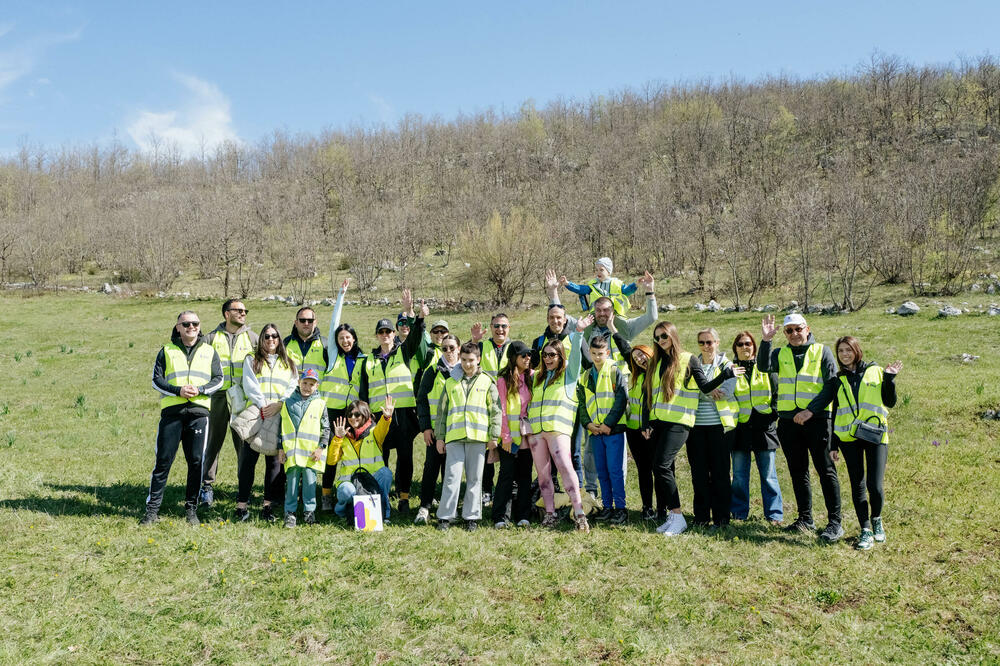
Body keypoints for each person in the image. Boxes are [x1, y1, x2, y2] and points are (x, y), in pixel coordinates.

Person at [794, 337, 901, 550]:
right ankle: (865, 529)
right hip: (849, 438)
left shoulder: (876, 371)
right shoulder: (837, 380)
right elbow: (833, 409)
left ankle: (877, 519)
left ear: (857, 350)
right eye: (841, 350)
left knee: (875, 486)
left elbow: (890, 402)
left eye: (848, 350)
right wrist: (833, 445)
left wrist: (889, 379)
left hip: (875, 435)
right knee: (857, 485)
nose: (844, 354)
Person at [641, 321, 742, 536]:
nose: (660, 341)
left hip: (686, 422)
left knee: (666, 466)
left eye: (664, 336)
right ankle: (692, 517)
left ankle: (693, 517)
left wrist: (727, 374)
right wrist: (646, 422)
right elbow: (648, 394)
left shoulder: (688, 359)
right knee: (689, 474)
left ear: (673, 336)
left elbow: (705, 386)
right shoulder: (657, 363)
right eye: (657, 338)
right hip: (665, 422)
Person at [757, 313, 843, 542]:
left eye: (798, 329)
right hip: (788, 422)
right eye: (789, 331)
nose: (794, 334)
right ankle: (805, 519)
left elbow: (831, 386)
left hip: (817, 420)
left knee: (825, 470)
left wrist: (810, 411)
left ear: (807, 328)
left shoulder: (822, 351)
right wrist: (766, 341)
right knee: (798, 471)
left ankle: (835, 523)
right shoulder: (780, 353)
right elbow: (763, 367)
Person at [141, 311, 223, 526]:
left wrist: (201, 389)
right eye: (186, 323)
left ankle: (191, 509)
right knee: (163, 462)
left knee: (196, 463)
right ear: (177, 327)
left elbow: (219, 380)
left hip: (198, 414)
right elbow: (156, 380)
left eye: (195, 323)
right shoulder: (166, 350)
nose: (191, 327)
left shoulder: (209, 351)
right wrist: (178, 391)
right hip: (172, 414)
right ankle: (152, 511)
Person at [358, 289, 430, 516]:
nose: (386, 334)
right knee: (381, 457)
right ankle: (381, 494)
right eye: (381, 332)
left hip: (403, 415)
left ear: (393, 334)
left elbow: (417, 337)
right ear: (377, 335)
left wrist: (415, 316)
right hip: (378, 416)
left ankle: (404, 497)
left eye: (388, 331)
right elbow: (363, 391)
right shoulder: (368, 360)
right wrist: (365, 418)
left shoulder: (404, 352)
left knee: (405, 456)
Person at [528, 314, 592, 532]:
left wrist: (579, 332)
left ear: (560, 356)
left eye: (552, 355)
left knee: (565, 467)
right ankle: (549, 513)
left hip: (558, 431)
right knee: (543, 475)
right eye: (545, 354)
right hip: (537, 433)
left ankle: (580, 513)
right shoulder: (537, 377)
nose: (548, 358)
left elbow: (576, 356)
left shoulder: (569, 375)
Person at [434, 342, 501, 531]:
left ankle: (471, 517)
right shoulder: (450, 382)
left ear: (478, 359)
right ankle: (445, 516)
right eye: (463, 360)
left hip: (478, 437)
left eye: (471, 360)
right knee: (451, 477)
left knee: (475, 478)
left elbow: (495, 411)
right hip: (454, 436)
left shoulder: (487, 382)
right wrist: (440, 437)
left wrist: (493, 436)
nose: (467, 364)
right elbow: (442, 413)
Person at [234, 323, 296, 523]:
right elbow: (249, 384)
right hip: (257, 414)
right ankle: (241, 505)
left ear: (280, 339)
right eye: (267, 336)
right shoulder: (252, 360)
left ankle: (267, 506)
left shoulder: (289, 363)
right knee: (247, 462)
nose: (271, 340)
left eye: (275, 336)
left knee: (274, 463)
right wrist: (264, 405)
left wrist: (279, 404)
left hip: (278, 415)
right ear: (261, 338)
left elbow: (293, 385)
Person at [201, 298, 257, 506]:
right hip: (217, 396)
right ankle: (206, 486)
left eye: (245, 311)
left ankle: (244, 489)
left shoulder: (252, 338)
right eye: (239, 310)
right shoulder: (210, 338)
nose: (243, 314)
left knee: (243, 444)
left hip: (242, 398)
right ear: (227, 314)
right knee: (213, 442)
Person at [319, 279, 367, 511]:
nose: (345, 340)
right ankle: (326, 494)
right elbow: (333, 325)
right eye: (341, 338)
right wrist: (341, 295)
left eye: (348, 337)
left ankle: (353, 491)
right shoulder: (333, 356)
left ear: (354, 338)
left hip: (352, 415)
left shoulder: (363, 359)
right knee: (332, 454)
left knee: (351, 454)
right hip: (331, 413)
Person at [728, 331, 783, 526]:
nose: (745, 347)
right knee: (740, 477)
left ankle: (774, 515)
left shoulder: (766, 368)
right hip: (740, 430)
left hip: (764, 430)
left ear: (754, 347)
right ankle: (738, 513)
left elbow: (778, 394)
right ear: (735, 348)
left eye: (748, 344)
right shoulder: (731, 370)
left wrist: (771, 416)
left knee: (769, 476)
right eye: (741, 344)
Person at [686, 328, 739, 528]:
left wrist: (704, 389)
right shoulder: (692, 366)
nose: (706, 346)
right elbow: (690, 392)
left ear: (717, 342)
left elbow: (725, 392)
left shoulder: (728, 365)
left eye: (709, 342)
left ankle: (722, 517)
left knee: (720, 474)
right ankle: (701, 517)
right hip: (695, 427)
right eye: (702, 343)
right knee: (699, 474)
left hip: (720, 427)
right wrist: (708, 389)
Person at [577, 335, 630, 524]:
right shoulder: (584, 376)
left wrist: (608, 424)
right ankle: (607, 507)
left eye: (601, 354)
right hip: (595, 431)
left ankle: (621, 508)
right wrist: (588, 424)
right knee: (602, 471)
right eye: (594, 354)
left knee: (615, 470)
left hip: (612, 430)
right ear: (590, 354)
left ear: (607, 353)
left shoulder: (615, 371)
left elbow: (621, 400)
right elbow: (582, 404)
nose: (597, 357)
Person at [413, 333, 461, 524]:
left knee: (452, 471)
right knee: (431, 469)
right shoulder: (432, 371)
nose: (448, 351)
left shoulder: (464, 371)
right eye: (445, 348)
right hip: (435, 431)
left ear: (459, 348)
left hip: (457, 431)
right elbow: (422, 400)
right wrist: (425, 428)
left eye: (452, 347)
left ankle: (449, 507)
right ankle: (424, 506)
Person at [277, 368, 330, 528]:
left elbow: (326, 429)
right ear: (299, 382)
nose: (307, 387)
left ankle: (309, 512)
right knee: (291, 484)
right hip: (292, 453)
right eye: (304, 383)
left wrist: (321, 448)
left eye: (311, 384)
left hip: (311, 454)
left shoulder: (321, 404)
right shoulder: (288, 403)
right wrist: (280, 448)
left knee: (310, 484)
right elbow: (282, 427)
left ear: (317, 386)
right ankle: (290, 514)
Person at [328, 397, 395, 522]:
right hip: (350, 481)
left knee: (386, 473)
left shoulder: (374, 432)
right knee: (347, 491)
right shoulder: (343, 436)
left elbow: (383, 427)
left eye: (357, 414)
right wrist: (337, 438)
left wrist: (386, 418)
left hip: (372, 479)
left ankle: (384, 513)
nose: (353, 418)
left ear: (365, 415)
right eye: (350, 414)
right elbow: (331, 461)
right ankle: (342, 512)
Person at [469, 313, 512, 506]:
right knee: (488, 450)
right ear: (491, 327)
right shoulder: (482, 346)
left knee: (508, 449)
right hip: (486, 406)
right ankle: (486, 490)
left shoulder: (514, 348)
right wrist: (474, 340)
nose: (500, 329)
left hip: (510, 407)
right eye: (496, 326)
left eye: (503, 326)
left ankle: (510, 488)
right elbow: (468, 359)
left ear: (508, 328)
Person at [493, 341, 537, 528]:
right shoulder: (503, 381)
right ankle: (500, 516)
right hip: (508, 438)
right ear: (514, 358)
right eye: (523, 355)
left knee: (525, 476)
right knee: (506, 476)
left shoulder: (532, 377)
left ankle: (523, 515)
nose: (528, 358)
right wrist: (505, 436)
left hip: (527, 437)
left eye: (529, 355)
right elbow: (501, 409)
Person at [623, 342, 658, 521]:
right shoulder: (636, 377)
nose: (639, 359)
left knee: (658, 469)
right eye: (636, 358)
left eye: (642, 355)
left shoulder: (657, 375)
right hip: (633, 432)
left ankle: (663, 507)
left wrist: (646, 426)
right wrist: (613, 330)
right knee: (643, 469)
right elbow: (625, 350)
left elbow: (647, 404)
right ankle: (647, 507)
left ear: (650, 354)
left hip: (650, 431)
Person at [558, 257, 637, 316]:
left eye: (601, 270)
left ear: (608, 272)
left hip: (615, 316)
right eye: (597, 270)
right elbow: (580, 289)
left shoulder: (617, 284)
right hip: (596, 316)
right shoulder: (593, 285)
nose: (598, 272)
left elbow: (627, 291)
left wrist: (636, 284)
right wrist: (567, 283)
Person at [284, 305, 328, 381]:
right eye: (302, 320)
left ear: (315, 322)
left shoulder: (325, 344)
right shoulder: (285, 343)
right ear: (296, 323)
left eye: (310, 320)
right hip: (292, 392)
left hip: (317, 392)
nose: (306, 323)